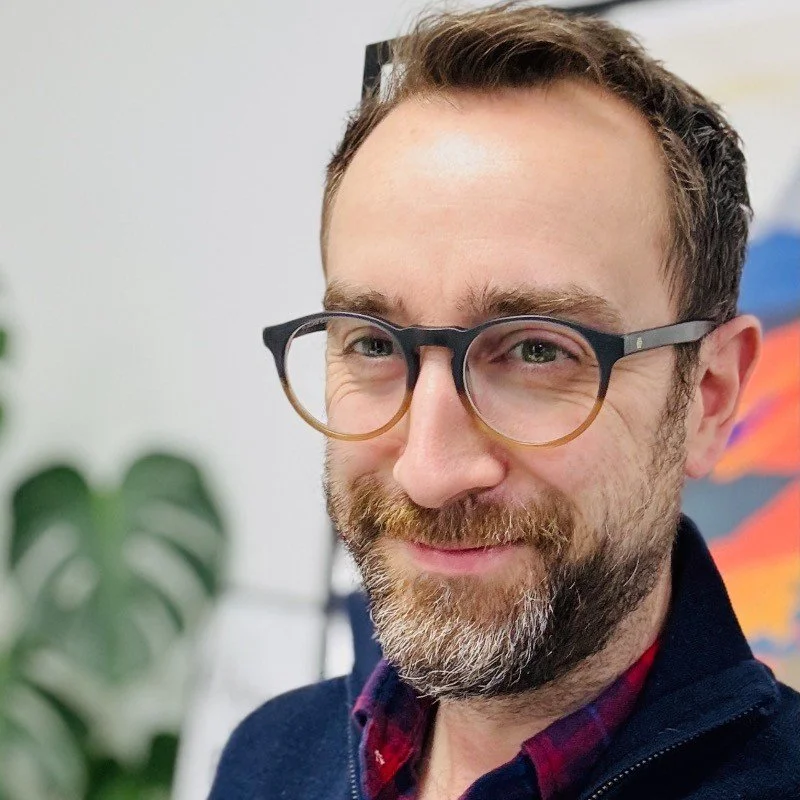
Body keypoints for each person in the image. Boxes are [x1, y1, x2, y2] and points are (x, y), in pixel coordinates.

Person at [209, 3, 800, 799]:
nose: (429, 471)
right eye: (376, 343)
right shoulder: (269, 758)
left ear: (712, 395)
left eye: (536, 350)